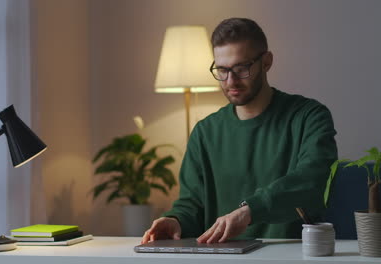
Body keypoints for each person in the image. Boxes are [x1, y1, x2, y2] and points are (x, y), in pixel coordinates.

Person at [141, 17, 337, 244]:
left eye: (241, 68)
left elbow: (313, 182)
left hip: (291, 254)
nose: (230, 80)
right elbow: (191, 204)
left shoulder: (309, 116)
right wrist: (175, 220)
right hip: (221, 256)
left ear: (266, 62)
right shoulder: (205, 132)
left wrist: (249, 211)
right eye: (222, 70)